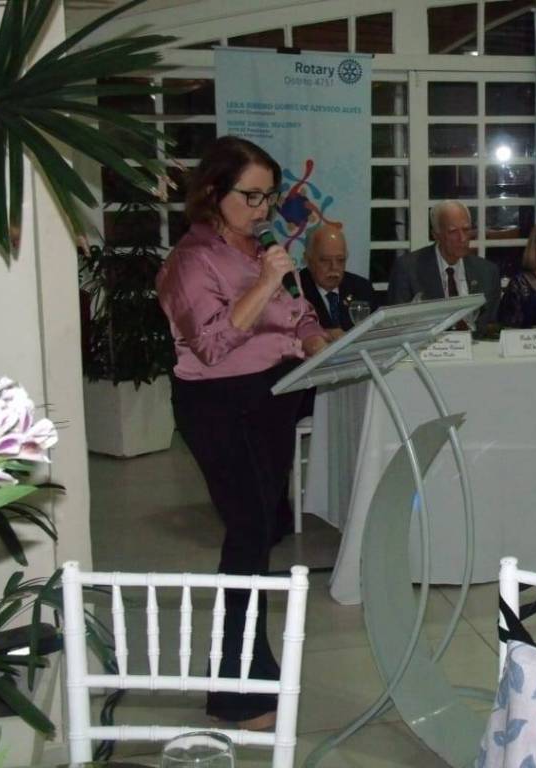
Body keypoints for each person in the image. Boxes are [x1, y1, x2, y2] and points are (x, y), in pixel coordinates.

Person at [156, 136, 330, 730]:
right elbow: (209, 345)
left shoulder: (261, 249)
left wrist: (313, 337)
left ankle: (248, 672)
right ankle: (234, 689)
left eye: (269, 196)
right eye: (251, 196)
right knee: (249, 533)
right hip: (218, 406)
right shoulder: (191, 260)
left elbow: (298, 313)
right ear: (213, 192)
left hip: (273, 399)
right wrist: (262, 284)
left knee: (263, 535)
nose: (263, 208)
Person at [386, 200, 500, 325]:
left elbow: (491, 327)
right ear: (436, 234)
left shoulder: (487, 272)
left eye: (466, 230)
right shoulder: (408, 269)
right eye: (453, 231)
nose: (462, 238)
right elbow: (395, 325)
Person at [298, 224, 377, 332]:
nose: (334, 267)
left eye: (340, 260)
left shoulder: (362, 287)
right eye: (325, 260)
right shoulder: (294, 292)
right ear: (308, 260)